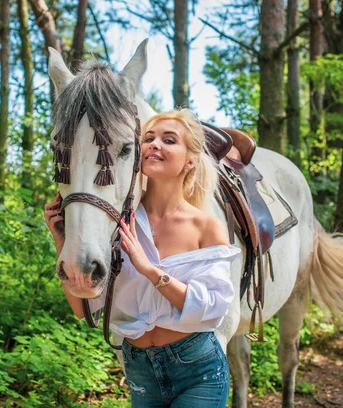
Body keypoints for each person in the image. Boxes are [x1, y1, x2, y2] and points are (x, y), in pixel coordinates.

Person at [44, 110, 241, 407]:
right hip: (139, 370)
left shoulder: (207, 225)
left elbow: (211, 311)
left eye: (169, 139)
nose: (154, 144)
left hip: (198, 368)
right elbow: (85, 310)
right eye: (148, 138)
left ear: (190, 160)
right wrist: (61, 240)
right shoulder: (116, 226)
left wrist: (151, 271)